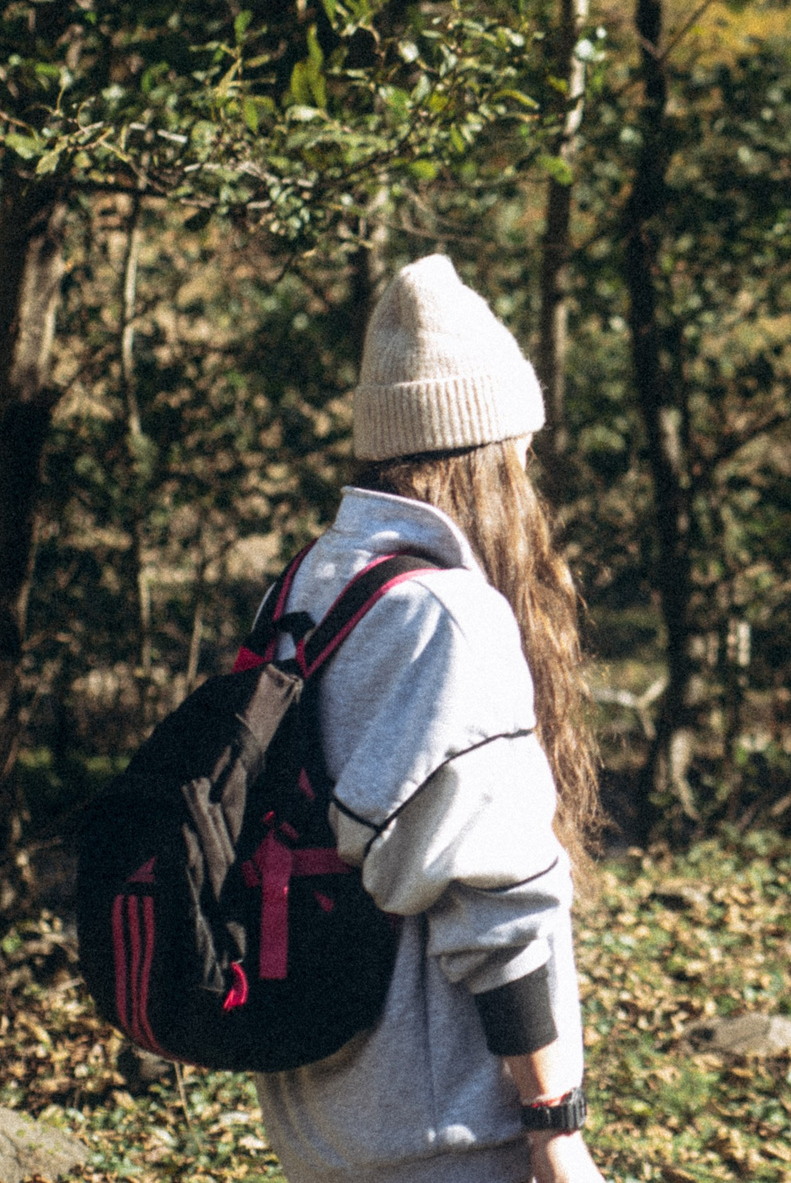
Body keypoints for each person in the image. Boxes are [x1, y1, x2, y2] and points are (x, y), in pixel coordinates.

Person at [253, 255, 604, 1183]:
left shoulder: (306, 586)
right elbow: (496, 904)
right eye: (518, 446)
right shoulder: (450, 615)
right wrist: (554, 1125)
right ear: (483, 454)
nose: (530, 470)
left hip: (319, 1113)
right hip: (445, 1134)